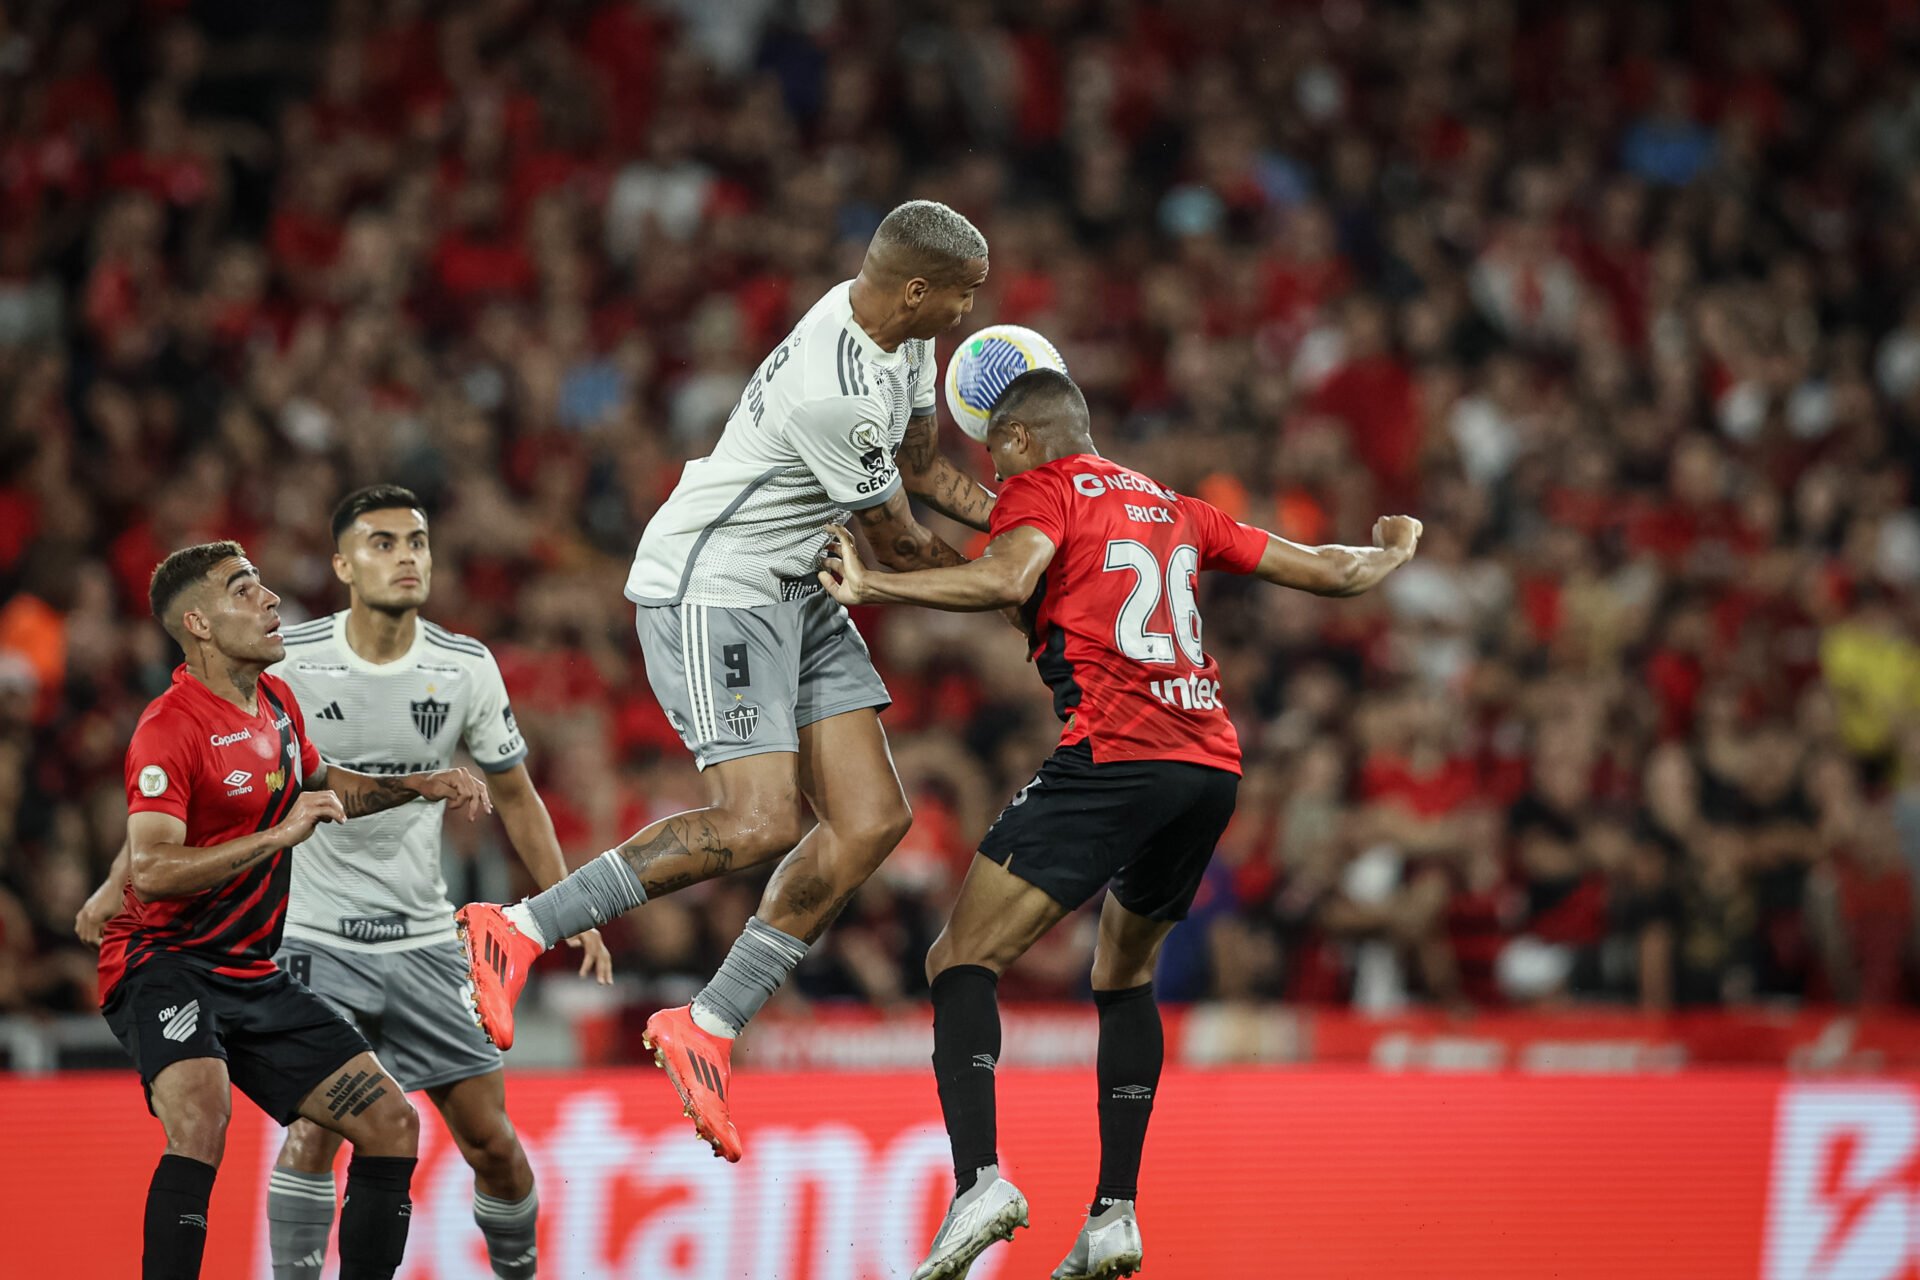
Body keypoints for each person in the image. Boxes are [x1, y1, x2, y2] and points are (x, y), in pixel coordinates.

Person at [814, 369, 1421, 1280]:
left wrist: (870, 585)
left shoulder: (1040, 491)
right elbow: (1334, 571)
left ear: (1020, 441)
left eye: (997, 445)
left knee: (958, 959)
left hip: (1116, 751)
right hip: (1210, 763)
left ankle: (979, 1181)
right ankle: (1115, 1212)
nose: (994, 462)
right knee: (1123, 972)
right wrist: (1395, 550)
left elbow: (1007, 571)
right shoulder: (1174, 506)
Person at [456, 199, 998, 1162]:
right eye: (963, 297)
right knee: (758, 822)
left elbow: (923, 470)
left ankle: (707, 1023)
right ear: (919, 290)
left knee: (872, 820)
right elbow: (899, 549)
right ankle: (516, 927)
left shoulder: (904, 342)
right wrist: (1018, 591)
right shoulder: (834, 385)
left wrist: (1024, 527)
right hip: (717, 587)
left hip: (800, 582)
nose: (968, 314)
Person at [94, 541, 492, 1280]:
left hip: (251, 973)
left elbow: (324, 786)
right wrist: (279, 834)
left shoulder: (275, 702)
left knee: (391, 1122)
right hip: (164, 963)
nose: (271, 599)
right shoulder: (169, 727)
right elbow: (151, 871)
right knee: (202, 1120)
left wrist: (421, 782)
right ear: (200, 624)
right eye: (244, 590)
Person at [256, 485, 611, 1279]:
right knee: (316, 1130)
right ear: (343, 564)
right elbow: (283, 787)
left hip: (424, 940)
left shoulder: (463, 667)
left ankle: (519, 1271)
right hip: (314, 935)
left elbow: (516, 795)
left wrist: (571, 906)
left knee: (494, 1145)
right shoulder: (293, 665)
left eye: (416, 541)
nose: (406, 555)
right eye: (382, 543)